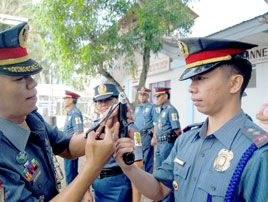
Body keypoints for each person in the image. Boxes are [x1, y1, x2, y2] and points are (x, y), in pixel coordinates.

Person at [0, 22, 119, 202]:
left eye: (30, 75)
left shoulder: (30, 117)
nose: (33, 83)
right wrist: (93, 166)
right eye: (19, 78)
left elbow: (67, 146)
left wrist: (102, 126)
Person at [114, 37, 268, 201]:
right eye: (191, 79)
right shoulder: (186, 140)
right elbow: (159, 189)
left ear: (234, 83)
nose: (190, 88)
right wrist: (129, 168)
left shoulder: (258, 155)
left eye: (200, 78)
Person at [85, 83, 142, 202]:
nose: (104, 104)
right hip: (98, 185)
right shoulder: (94, 127)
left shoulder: (130, 129)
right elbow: (88, 160)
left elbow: (138, 166)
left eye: (108, 99)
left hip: (119, 187)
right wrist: (86, 191)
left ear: (117, 101)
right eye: (100, 101)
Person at [62, 90, 83, 186]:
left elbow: (78, 132)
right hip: (68, 148)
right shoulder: (70, 113)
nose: (64, 100)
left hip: (71, 149)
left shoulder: (75, 113)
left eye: (66, 98)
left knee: (71, 175)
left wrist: (71, 146)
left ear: (71, 100)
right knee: (70, 173)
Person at [134, 87, 156, 174]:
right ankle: (140, 177)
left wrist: (154, 137)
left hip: (146, 134)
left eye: (144, 95)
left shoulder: (152, 107)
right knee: (138, 157)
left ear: (147, 96)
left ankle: (147, 177)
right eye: (140, 95)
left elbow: (156, 123)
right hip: (137, 135)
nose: (142, 97)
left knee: (147, 158)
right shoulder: (137, 108)